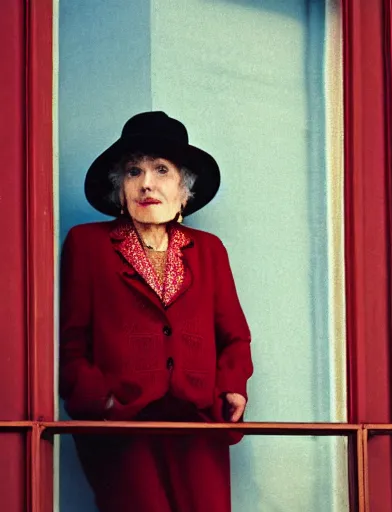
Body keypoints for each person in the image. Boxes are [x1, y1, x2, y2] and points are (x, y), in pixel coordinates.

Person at [59, 111, 253, 512]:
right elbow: (71, 341)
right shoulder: (87, 244)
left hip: (198, 421)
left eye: (161, 170)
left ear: (185, 190)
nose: (147, 183)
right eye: (134, 171)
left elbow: (234, 334)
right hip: (123, 423)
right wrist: (102, 401)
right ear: (120, 188)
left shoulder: (209, 249)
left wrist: (232, 386)